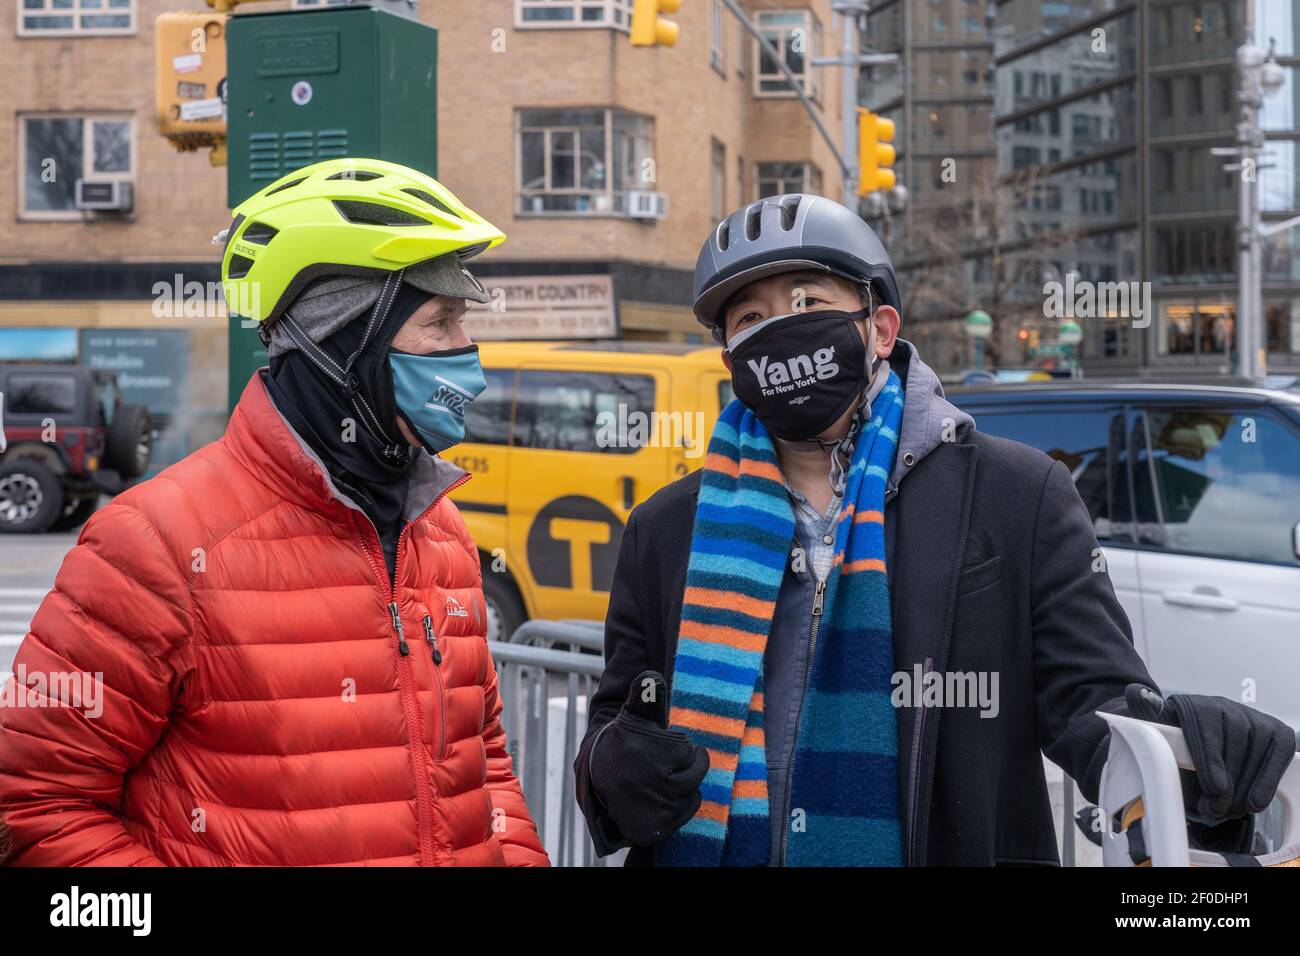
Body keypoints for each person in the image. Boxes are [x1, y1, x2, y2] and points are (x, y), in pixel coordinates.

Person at [574, 193, 1296, 866]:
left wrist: (1185, 752)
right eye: (750, 320)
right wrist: (612, 766)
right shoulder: (666, 528)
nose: (780, 329)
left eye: (807, 301)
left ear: (880, 328)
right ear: (733, 361)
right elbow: (617, 719)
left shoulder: (1016, 494)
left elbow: (1093, 705)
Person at [0, 158, 547, 867]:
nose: (465, 354)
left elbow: (485, 763)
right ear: (343, 342)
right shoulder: (156, 542)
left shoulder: (439, 530)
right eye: (439, 323)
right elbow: (36, 805)